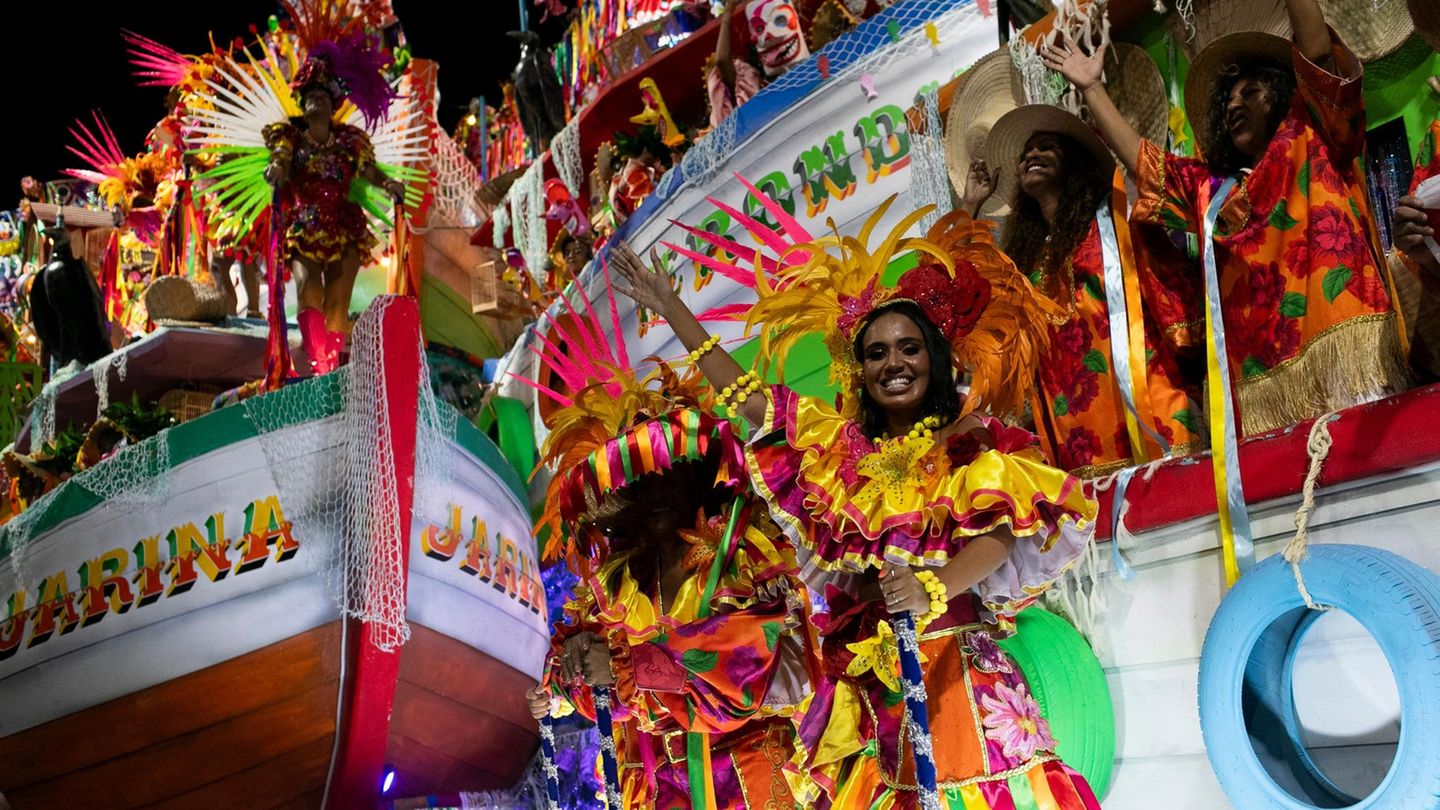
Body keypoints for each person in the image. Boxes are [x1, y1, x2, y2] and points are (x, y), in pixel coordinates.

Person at [612, 194, 1101, 809]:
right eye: (877, 352)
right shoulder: (842, 456)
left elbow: (1003, 532)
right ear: (860, 370)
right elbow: (750, 400)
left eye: (909, 348)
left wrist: (932, 588)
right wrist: (673, 309)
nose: (894, 363)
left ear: (933, 360)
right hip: (875, 690)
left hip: (958, 673)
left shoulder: (970, 440)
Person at [1045, 0, 1407, 435]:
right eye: (1228, 99)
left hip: (1348, 355)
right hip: (1262, 393)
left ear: (1282, 93)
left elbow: (1318, 54)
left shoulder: (1311, 130)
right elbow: (1146, 167)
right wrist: (1091, 87)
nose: (1234, 104)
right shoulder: (1211, 191)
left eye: (1249, 92)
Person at [522, 363, 814, 809]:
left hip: (747, 773)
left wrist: (633, 667)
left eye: (669, 474)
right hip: (657, 784)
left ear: (695, 479)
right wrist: (560, 683)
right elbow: (590, 678)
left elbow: (756, 665)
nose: (657, 492)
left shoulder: (740, 553)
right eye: (643, 482)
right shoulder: (615, 582)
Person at [964, 106, 1204, 477]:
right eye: (1026, 152)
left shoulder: (1115, 221)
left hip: (1148, 414)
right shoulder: (1021, 263)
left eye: (1046, 146)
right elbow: (965, 305)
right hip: (1074, 442)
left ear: (1074, 162)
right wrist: (970, 207)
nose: (1031, 155)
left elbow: (1169, 288)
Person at [264, 55, 405, 375]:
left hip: (345, 225)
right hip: (304, 224)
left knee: (339, 301)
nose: (317, 99)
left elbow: (369, 170)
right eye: (311, 95)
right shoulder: (289, 136)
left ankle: (330, 364)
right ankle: (319, 365)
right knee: (308, 288)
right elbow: (280, 160)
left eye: (323, 95)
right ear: (302, 104)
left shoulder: (349, 141)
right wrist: (275, 169)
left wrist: (388, 183)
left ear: (333, 105)